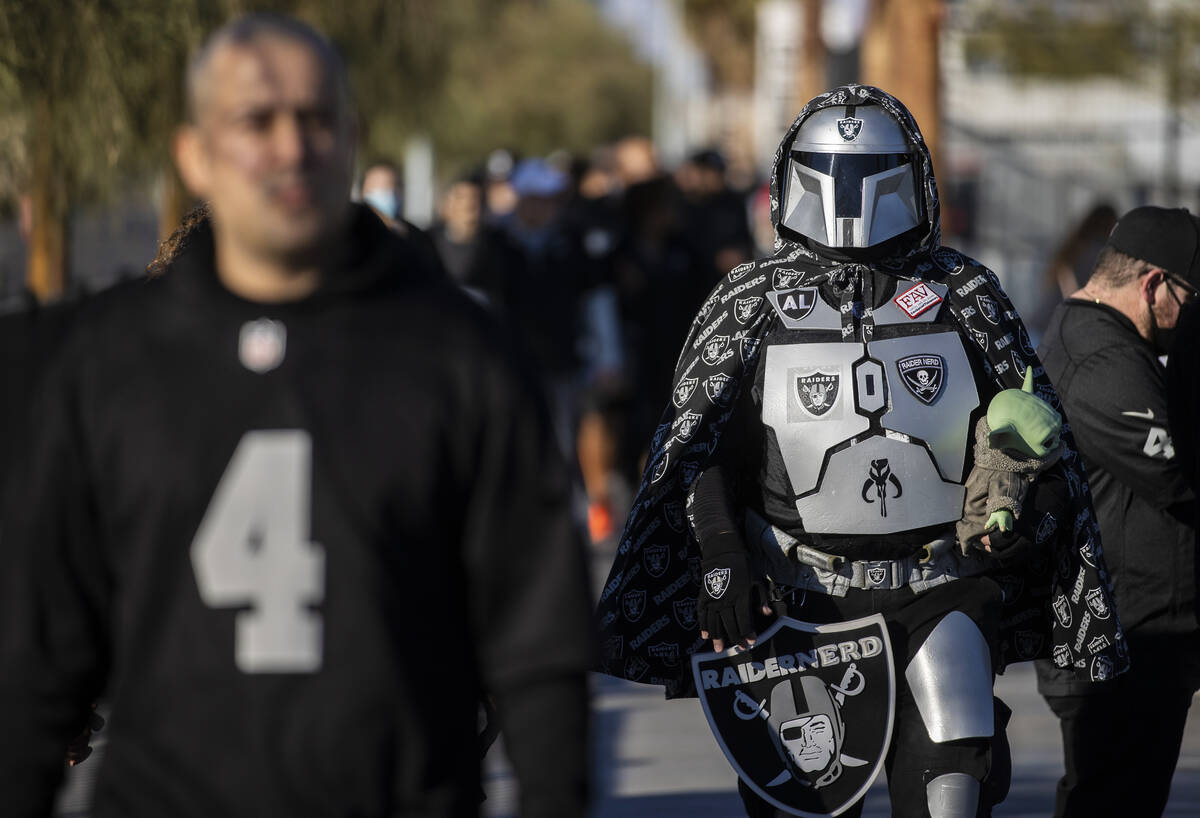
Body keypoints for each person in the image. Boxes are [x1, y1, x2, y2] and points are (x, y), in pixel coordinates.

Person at [0, 14, 593, 818]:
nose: (290, 148)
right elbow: (39, 645)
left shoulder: (461, 355)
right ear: (195, 154)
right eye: (256, 122)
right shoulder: (111, 362)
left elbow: (536, 640)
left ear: (351, 139)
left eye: (315, 121)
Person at [596, 84, 1126, 818]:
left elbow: (1040, 434)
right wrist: (722, 552)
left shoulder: (964, 291)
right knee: (798, 793)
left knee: (952, 783)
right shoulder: (751, 298)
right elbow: (697, 445)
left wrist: (1023, 512)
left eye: (873, 171)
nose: (851, 195)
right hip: (796, 597)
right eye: (832, 173)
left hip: (940, 584)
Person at [1034, 205, 1200, 818]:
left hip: (1133, 636)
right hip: (1122, 642)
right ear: (1154, 283)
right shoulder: (1102, 360)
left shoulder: (1102, 343)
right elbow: (1180, 473)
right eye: (1193, 299)